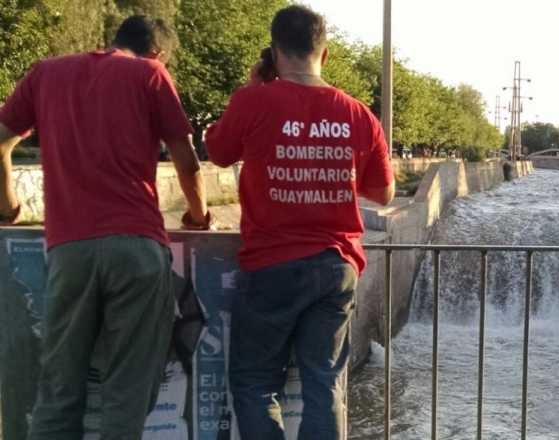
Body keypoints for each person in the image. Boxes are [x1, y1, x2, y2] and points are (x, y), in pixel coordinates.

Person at [0, 15, 210, 439]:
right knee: (126, 394)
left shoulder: (46, 73)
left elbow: (1, 141)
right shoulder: (151, 74)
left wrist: (9, 207)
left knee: (58, 391)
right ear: (160, 53)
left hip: (68, 249)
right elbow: (186, 162)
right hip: (136, 246)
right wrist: (198, 217)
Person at [204, 5, 394, 439]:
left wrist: (254, 89)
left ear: (273, 52)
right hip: (336, 266)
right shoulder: (359, 114)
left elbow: (216, 151)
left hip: (270, 266)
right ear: (324, 54)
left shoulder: (253, 101)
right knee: (324, 383)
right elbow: (383, 193)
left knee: (254, 383)